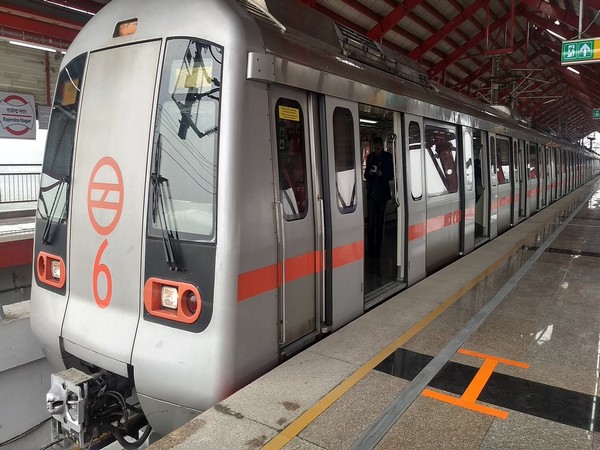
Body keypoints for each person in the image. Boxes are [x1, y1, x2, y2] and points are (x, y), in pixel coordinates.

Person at [364, 136, 393, 257]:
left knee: (380, 223)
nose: (376, 151)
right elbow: (366, 175)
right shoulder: (370, 157)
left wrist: (381, 173)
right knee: (371, 223)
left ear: (382, 146)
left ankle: (377, 249)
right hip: (371, 194)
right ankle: (370, 249)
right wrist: (370, 173)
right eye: (375, 149)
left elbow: (391, 174)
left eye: (378, 148)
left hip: (382, 195)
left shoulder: (388, 157)